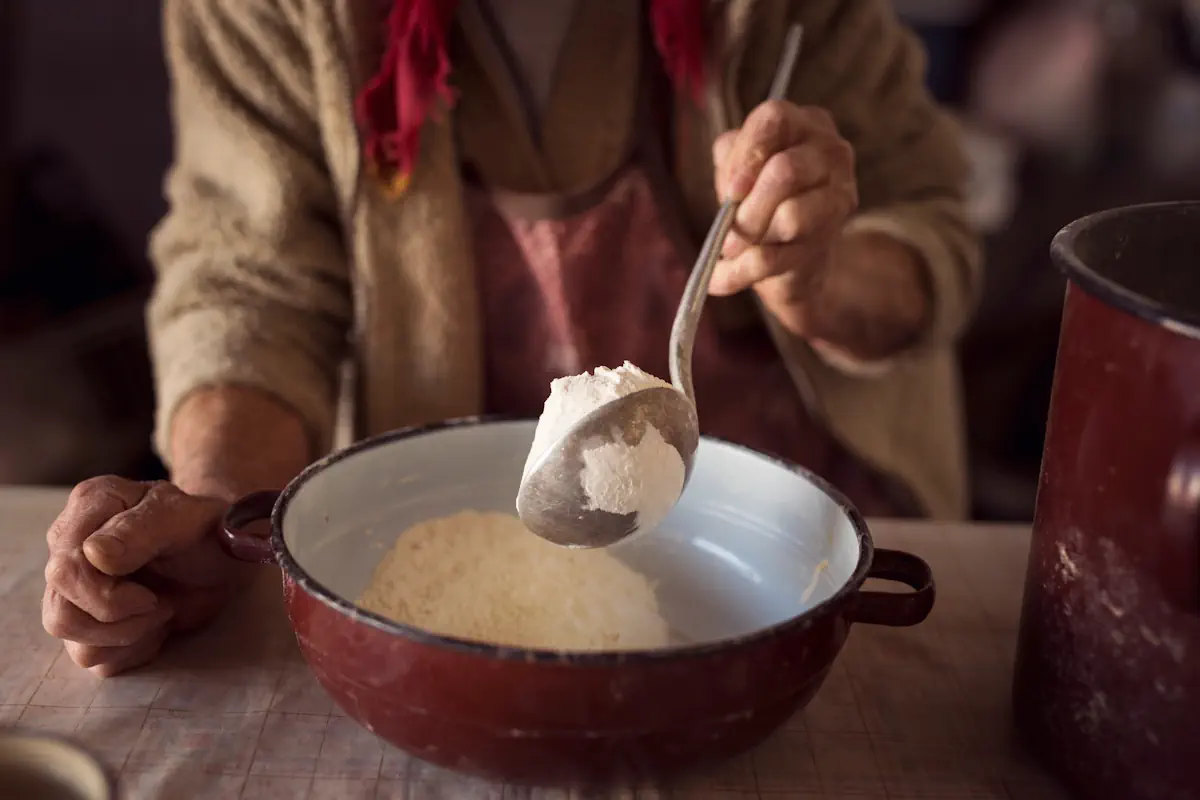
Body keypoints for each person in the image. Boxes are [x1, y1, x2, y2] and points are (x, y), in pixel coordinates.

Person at [42, 0, 980, 676]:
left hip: (803, 524)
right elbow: (252, 289)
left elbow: (936, 231)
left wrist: (818, 276)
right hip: (428, 519)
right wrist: (214, 501)